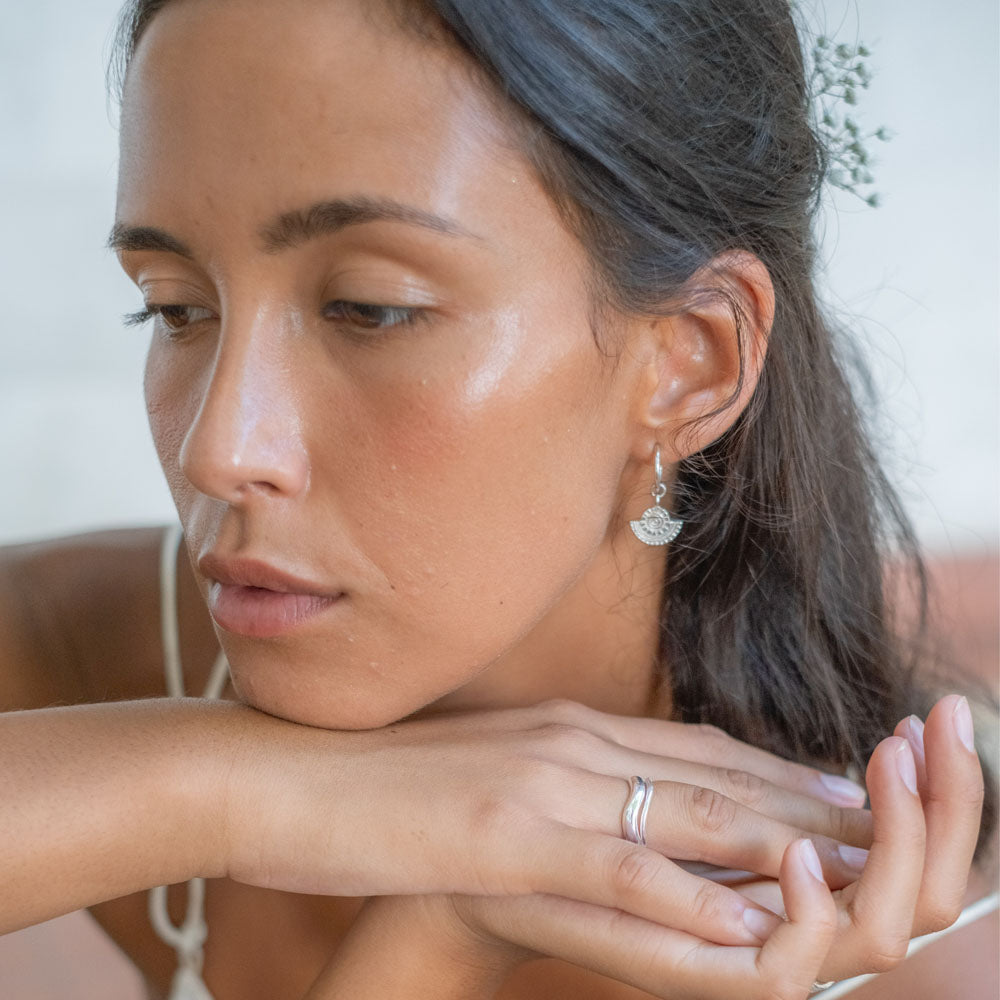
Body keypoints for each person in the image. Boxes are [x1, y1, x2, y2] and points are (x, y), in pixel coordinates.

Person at [0, 0, 995, 998]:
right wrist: (236, 791)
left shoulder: (898, 947)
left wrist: (443, 933)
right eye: (175, 305)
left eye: (370, 308)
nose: (218, 449)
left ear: (687, 366)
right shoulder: (94, 653)